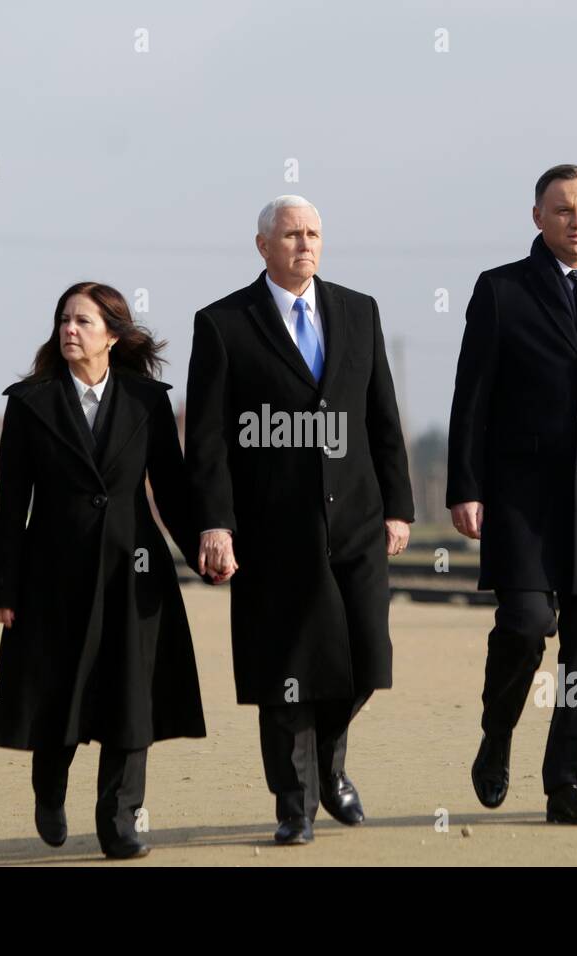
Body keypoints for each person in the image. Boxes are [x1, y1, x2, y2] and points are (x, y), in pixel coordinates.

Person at [185, 195, 414, 845]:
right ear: (262, 246)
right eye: (290, 235)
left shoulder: (358, 312)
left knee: (368, 658)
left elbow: (381, 419)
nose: (303, 245)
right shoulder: (224, 323)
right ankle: (296, 803)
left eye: (313, 234)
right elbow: (205, 442)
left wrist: (398, 506)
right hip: (272, 528)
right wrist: (215, 524)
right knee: (285, 671)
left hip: (359, 521)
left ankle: (331, 766)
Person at [447, 164, 577, 824]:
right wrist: (466, 486)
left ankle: (567, 782)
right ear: (538, 217)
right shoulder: (501, 290)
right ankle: (498, 731)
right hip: (521, 499)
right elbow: (471, 398)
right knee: (527, 625)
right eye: (563, 210)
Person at [0, 281, 212, 859]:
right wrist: (2, 588)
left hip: (134, 573)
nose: (69, 330)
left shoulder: (146, 401)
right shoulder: (30, 403)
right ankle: (49, 788)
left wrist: (206, 550)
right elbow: (11, 504)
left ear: (113, 334)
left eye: (83, 321)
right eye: (63, 319)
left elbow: (174, 492)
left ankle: (119, 821)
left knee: (131, 697)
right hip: (51, 577)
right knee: (59, 693)